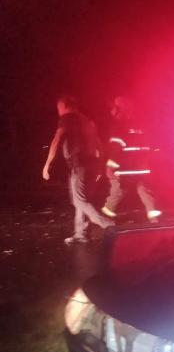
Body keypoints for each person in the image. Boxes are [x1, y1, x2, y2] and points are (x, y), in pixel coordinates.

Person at [42, 95, 113, 244]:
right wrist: (100, 166)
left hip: (79, 165)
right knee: (82, 199)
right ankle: (80, 233)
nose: (59, 111)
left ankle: (110, 226)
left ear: (65, 106)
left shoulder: (68, 118)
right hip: (91, 165)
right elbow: (99, 145)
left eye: (59, 108)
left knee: (80, 201)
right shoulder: (87, 120)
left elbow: (57, 139)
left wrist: (47, 164)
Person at [101, 96, 161, 222]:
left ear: (119, 109)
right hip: (141, 167)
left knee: (117, 192)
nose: (111, 111)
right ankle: (156, 219)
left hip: (125, 168)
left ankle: (104, 219)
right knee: (145, 190)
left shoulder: (118, 125)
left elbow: (116, 146)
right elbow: (149, 145)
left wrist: (110, 165)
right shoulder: (141, 124)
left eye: (113, 108)